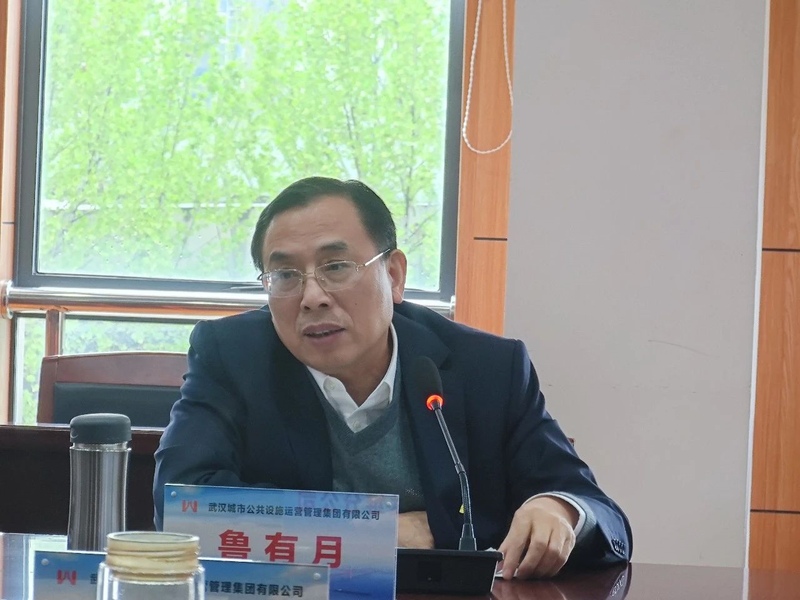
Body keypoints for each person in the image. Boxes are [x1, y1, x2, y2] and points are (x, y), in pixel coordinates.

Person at [153, 176, 632, 579]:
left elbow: (602, 516)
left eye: (336, 267)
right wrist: (376, 532)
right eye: (285, 276)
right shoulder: (232, 356)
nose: (312, 297)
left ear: (395, 275)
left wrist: (558, 509)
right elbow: (182, 507)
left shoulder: (486, 368)